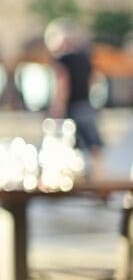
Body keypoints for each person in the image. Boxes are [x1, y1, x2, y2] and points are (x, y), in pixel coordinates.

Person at [45, 18, 104, 175]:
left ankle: (65, 174)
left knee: (64, 140)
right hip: (85, 103)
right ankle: (99, 173)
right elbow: (94, 79)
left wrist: (58, 105)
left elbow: (63, 82)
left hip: (71, 105)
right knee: (92, 141)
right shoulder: (85, 58)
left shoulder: (62, 60)